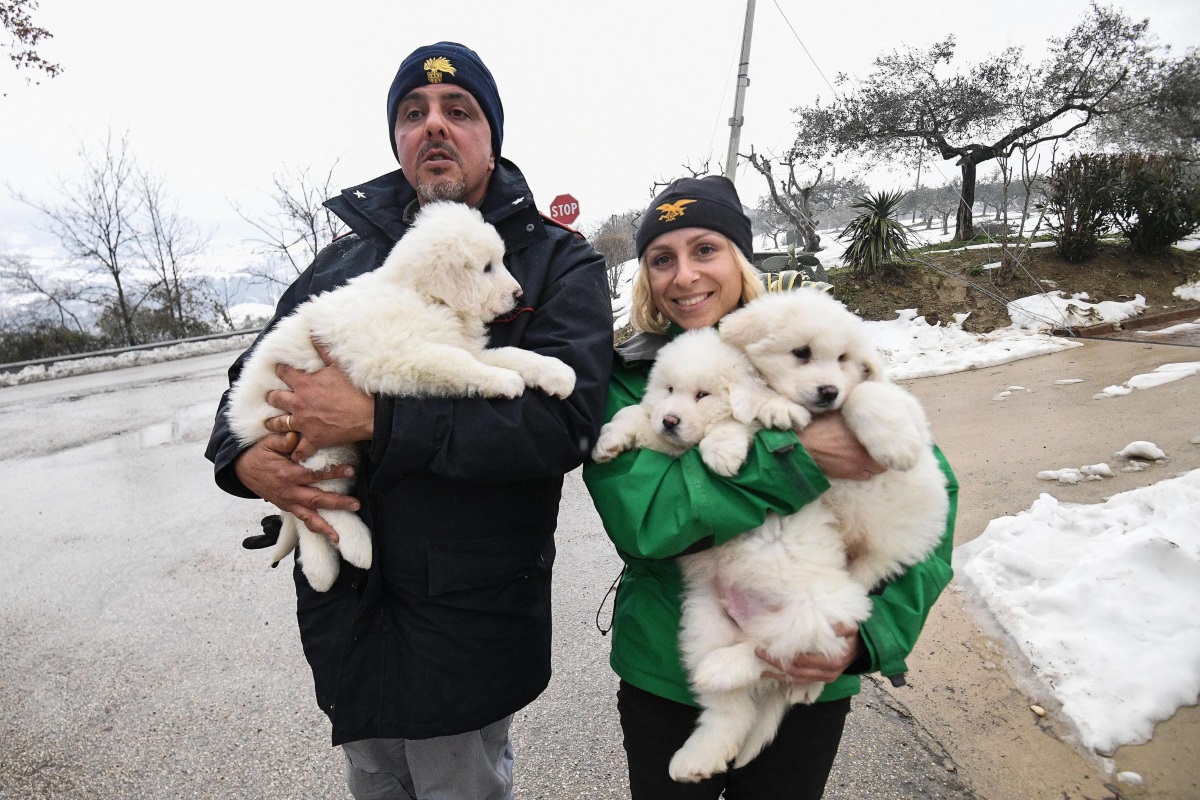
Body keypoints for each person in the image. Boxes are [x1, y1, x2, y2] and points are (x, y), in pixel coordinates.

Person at [206, 42, 613, 800]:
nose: (434, 127)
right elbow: (249, 380)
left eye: (458, 112)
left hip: (470, 612)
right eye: (412, 114)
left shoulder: (558, 265)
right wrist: (243, 461)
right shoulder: (341, 264)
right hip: (349, 614)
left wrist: (377, 421)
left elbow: (566, 424)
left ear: (491, 136)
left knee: (460, 783)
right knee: (374, 780)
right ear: (395, 140)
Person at [582, 175, 958, 799]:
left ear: (741, 259)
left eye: (706, 249)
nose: (684, 275)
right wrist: (799, 459)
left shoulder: (809, 352)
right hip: (669, 670)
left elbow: (923, 505)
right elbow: (645, 520)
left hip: (811, 661)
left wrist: (867, 639)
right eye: (661, 259)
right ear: (644, 277)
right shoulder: (630, 381)